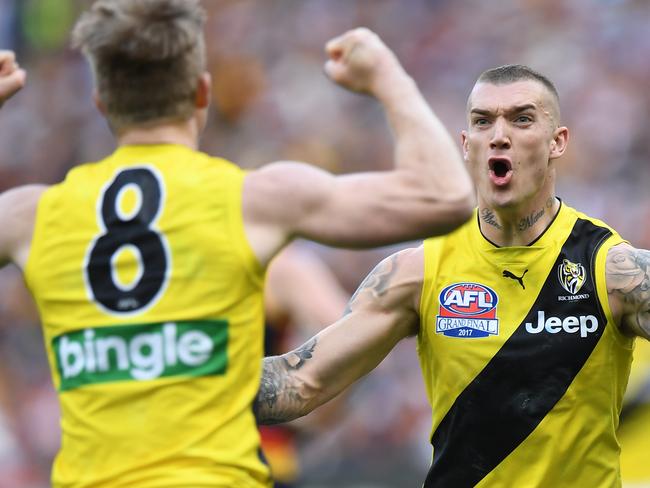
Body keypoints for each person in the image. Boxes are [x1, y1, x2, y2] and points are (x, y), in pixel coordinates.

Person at [0, 0, 474, 486]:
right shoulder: (252, 199)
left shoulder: (30, 216)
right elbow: (445, 196)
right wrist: (387, 78)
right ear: (202, 93)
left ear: (100, 101)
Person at [255, 64, 650, 487]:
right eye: (483, 121)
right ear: (467, 144)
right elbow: (299, 382)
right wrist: (187, 373)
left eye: (521, 119)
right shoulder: (416, 273)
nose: (499, 134)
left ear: (558, 142)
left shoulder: (612, 270)